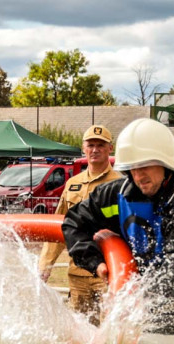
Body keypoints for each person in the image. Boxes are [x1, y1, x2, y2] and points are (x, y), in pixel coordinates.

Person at [62, 118, 174, 336]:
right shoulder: (117, 195)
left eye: (144, 166)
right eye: (132, 168)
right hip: (149, 312)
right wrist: (95, 262)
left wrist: (136, 295)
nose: (138, 175)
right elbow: (73, 222)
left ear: (166, 161)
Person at [37, 126, 121, 323]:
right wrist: (45, 264)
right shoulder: (73, 184)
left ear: (110, 148)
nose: (95, 150)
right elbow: (60, 226)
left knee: (110, 329)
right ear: (83, 148)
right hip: (78, 272)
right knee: (80, 330)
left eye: (100, 145)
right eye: (90, 145)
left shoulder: (120, 183)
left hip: (109, 272)